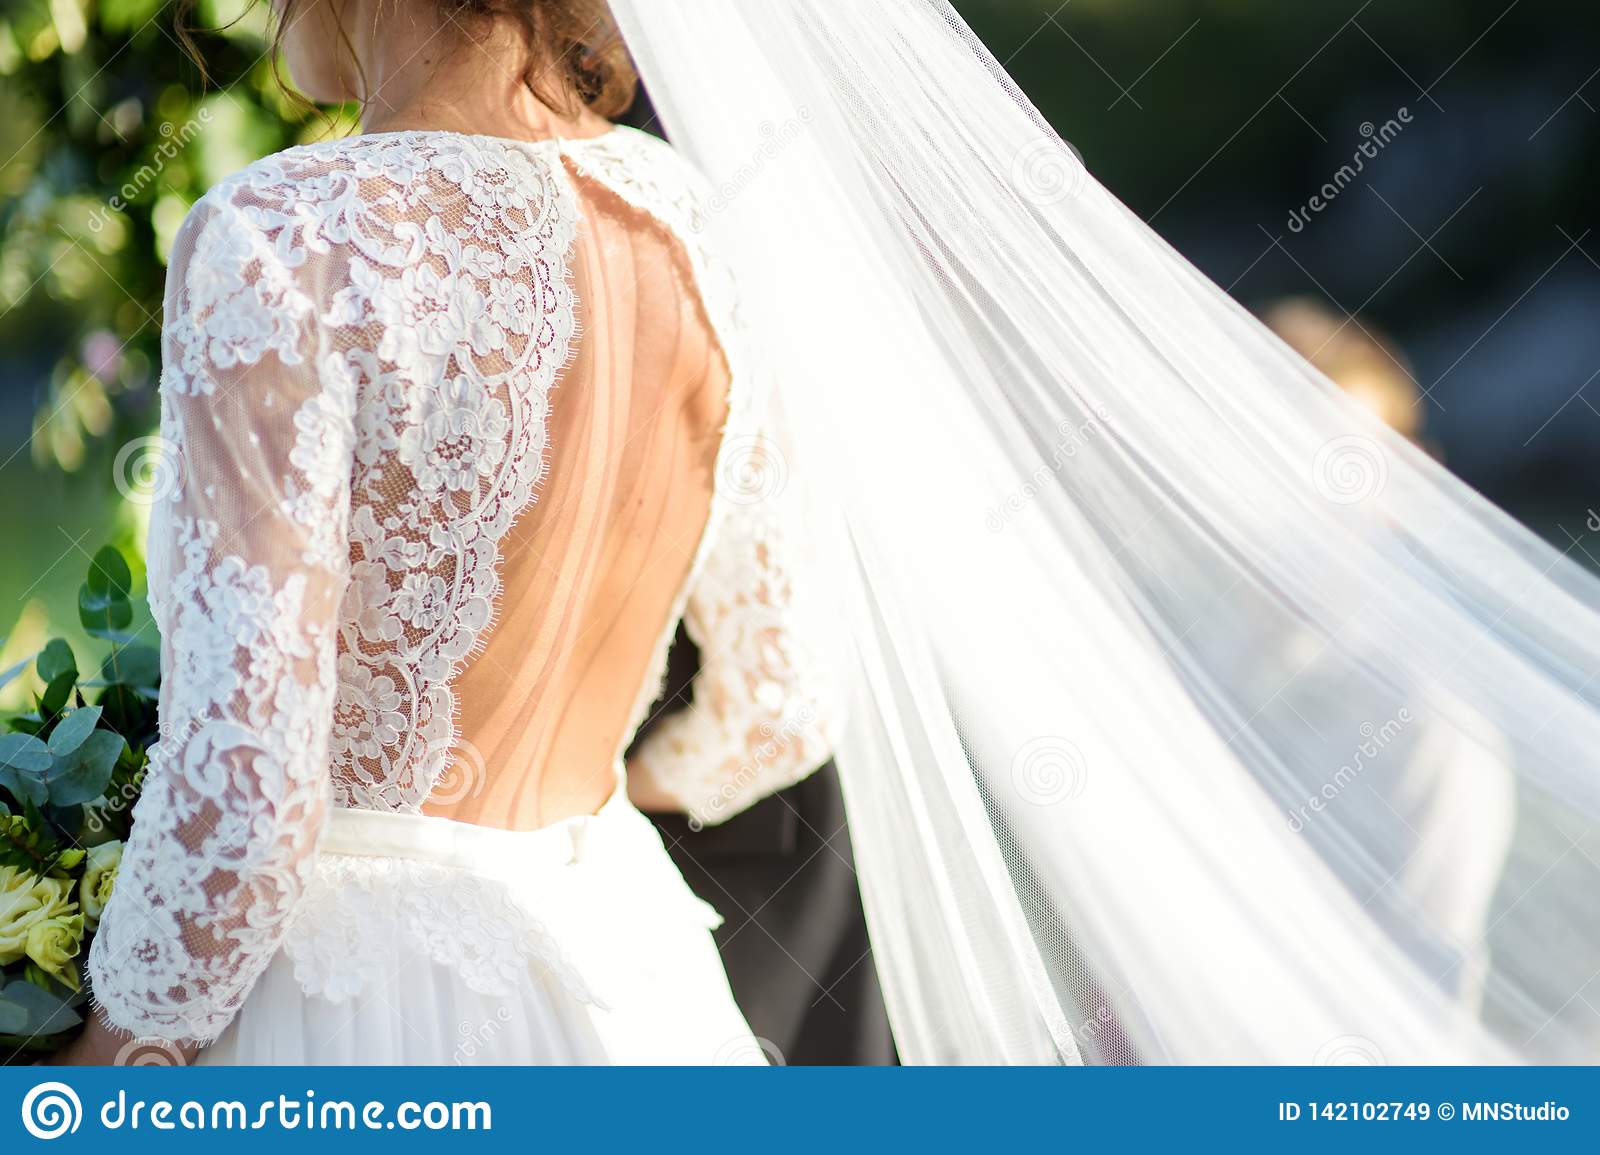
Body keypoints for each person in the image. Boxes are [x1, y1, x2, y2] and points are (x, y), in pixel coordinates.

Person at [56, 1, 1600, 1064]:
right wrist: (596, 816)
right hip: (624, 987)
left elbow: (241, 802)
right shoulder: (704, 233)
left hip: (348, 1012)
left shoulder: (284, 238)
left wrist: (97, 1072)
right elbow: (784, 699)